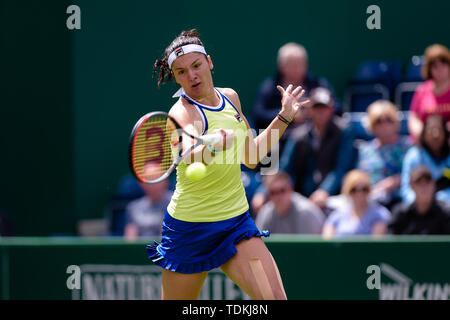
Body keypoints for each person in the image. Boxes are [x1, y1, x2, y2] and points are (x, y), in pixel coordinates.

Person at [148, 29, 310, 300]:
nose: (192, 76)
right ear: (175, 78)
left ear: (209, 62)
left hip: (235, 224)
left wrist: (284, 117)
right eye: (182, 72)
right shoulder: (180, 113)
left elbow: (252, 156)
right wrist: (211, 146)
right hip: (190, 229)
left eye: (197, 66)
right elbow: (189, 156)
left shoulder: (230, 98)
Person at [265, 87, 355, 212]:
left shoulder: (344, 132)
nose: (320, 112)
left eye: (324, 107)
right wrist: (264, 191)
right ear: (309, 110)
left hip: (335, 198)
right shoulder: (298, 136)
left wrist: (324, 191)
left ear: (331, 109)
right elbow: (285, 169)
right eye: (316, 108)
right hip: (302, 198)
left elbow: (341, 168)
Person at [252, 42, 338, 133]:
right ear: (282, 66)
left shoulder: (317, 83)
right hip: (281, 137)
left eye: (301, 64)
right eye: (293, 65)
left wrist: (316, 111)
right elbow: (258, 115)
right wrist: (288, 115)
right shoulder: (270, 87)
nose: (298, 68)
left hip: (313, 138)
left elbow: (337, 107)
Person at [356, 100, 412, 208]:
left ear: (396, 122)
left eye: (388, 120)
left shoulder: (407, 146)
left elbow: (415, 174)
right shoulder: (365, 149)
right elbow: (359, 177)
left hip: (399, 200)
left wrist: (393, 182)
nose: (384, 124)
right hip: (368, 200)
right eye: (378, 121)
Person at [322, 170, 390, 238]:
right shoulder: (338, 214)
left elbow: (376, 243)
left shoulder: (379, 214)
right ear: (347, 191)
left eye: (364, 189)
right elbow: (327, 240)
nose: (359, 193)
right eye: (354, 189)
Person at [255, 171, 325, 234]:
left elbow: (315, 246)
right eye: (273, 193)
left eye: (282, 190)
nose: (278, 196)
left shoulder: (306, 211)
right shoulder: (265, 213)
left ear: (291, 189)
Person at [401, 115, 450, 204]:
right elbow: (406, 190)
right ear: (424, 134)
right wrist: (422, 202)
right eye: (430, 130)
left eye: (439, 130)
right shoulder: (414, 156)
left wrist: (441, 201)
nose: (435, 135)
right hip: (419, 209)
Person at [389, 166, 450, 234]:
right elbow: (391, 241)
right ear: (411, 186)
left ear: (433, 184)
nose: (424, 187)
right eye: (419, 183)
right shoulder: (401, 214)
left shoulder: (446, 213)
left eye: (427, 182)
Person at [408, 44, 450, 142]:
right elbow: (413, 118)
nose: (439, 69)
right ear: (429, 69)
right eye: (434, 65)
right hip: (426, 144)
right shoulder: (422, 90)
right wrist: (423, 135)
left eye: (443, 63)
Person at [124, 164, 172, 239]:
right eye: (149, 179)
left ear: (166, 181)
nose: (152, 183)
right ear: (141, 183)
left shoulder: (174, 204)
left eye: (156, 178)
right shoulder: (133, 207)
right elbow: (130, 239)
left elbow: (166, 238)